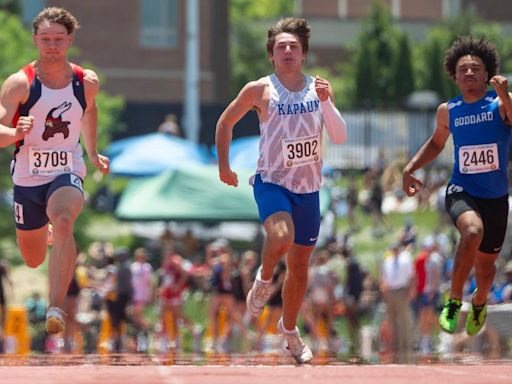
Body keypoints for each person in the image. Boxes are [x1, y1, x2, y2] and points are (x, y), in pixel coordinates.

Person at [215, 17, 347, 363]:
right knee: (281, 236)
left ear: (303, 53)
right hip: (272, 181)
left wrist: (328, 102)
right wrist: (224, 166)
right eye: (280, 47)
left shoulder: (318, 89)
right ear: (271, 56)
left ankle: (289, 332)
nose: (287, 51)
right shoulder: (259, 89)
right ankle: (263, 279)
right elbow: (225, 123)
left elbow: (339, 136)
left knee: (301, 267)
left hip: (309, 189)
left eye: (293, 46)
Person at [0, 7, 110, 335]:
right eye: (45, 39)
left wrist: (91, 152)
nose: (51, 46)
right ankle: (45, 227)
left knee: (64, 220)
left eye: (58, 40)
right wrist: (17, 134)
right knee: (33, 258)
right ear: (35, 39)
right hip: (27, 177)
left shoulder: (85, 81)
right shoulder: (20, 84)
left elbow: (89, 111)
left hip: (67, 169)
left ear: (69, 40)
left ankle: (56, 307)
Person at [402, 36, 512, 336]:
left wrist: (505, 95)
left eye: (476, 68)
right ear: (454, 74)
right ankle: (453, 300)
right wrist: (411, 168)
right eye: (463, 68)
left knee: (487, 268)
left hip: (496, 197)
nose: (469, 73)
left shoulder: (499, 104)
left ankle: (478, 301)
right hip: (461, 189)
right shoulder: (447, 110)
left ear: (487, 73)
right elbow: (437, 143)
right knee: (471, 232)